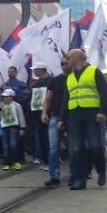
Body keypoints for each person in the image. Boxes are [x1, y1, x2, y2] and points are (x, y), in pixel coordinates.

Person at [58, 48, 107, 190]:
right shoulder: (70, 77)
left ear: (76, 58)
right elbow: (66, 99)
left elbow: (104, 92)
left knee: (95, 146)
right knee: (76, 148)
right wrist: (62, 118)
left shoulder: (94, 71)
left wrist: (102, 111)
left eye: (68, 58)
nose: (66, 61)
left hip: (92, 114)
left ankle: (101, 171)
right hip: (74, 115)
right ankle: (81, 179)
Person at [40, 54, 70, 187]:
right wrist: (44, 112)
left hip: (72, 117)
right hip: (55, 115)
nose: (64, 66)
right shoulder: (55, 80)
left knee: (75, 147)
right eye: (62, 64)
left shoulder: (76, 79)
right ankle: (54, 176)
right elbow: (48, 99)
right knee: (53, 147)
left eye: (66, 63)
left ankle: (75, 174)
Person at [0, 89, 26, 170]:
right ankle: (7, 162)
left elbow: (21, 117)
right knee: (5, 146)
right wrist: (0, 109)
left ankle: (17, 160)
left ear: (11, 97)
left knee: (13, 144)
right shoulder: (2, 105)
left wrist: (22, 128)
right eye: (3, 97)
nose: (4, 98)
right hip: (4, 127)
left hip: (14, 127)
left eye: (6, 97)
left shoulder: (17, 105)